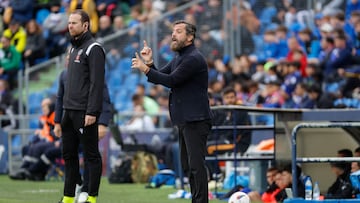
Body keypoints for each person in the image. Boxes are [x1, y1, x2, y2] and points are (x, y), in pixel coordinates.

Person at [131, 20, 212, 203]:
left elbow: (172, 80)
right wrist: (150, 63)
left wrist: (144, 69)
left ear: (190, 37)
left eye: (179, 31)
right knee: (188, 165)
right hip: (185, 120)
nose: (173, 35)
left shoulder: (193, 58)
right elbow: (162, 76)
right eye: (173, 31)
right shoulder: (179, 58)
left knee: (196, 166)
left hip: (196, 120)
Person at [56, 10, 105, 203]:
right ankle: (69, 197)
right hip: (69, 111)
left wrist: (92, 111)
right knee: (68, 155)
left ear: (86, 25)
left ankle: (91, 197)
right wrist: (60, 117)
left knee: (91, 155)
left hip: (85, 112)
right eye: (69, 23)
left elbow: (96, 83)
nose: (70, 26)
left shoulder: (94, 48)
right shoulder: (72, 49)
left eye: (74, 23)